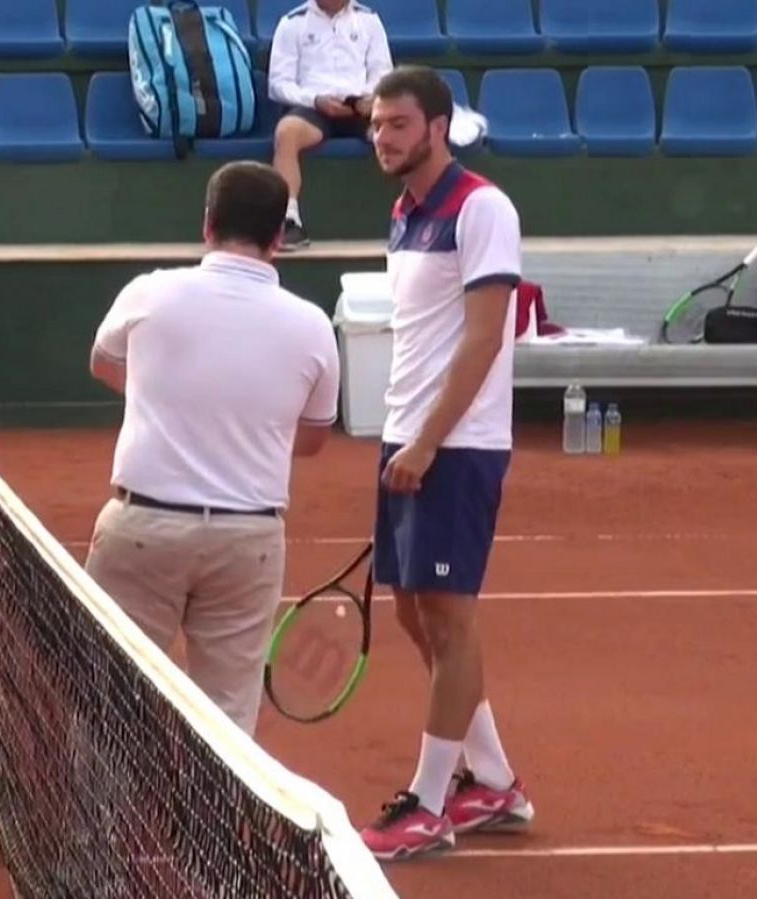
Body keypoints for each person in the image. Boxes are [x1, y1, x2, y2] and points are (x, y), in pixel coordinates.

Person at [84, 160, 341, 737]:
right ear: (279, 237)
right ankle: (220, 831)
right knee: (227, 723)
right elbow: (314, 438)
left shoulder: (148, 292)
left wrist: (174, 399)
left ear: (207, 225)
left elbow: (103, 364)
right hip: (247, 543)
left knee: (109, 698)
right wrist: (245, 422)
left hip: (142, 529)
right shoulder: (313, 325)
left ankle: (97, 828)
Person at [354, 65, 534, 862]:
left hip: (455, 442)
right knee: (410, 610)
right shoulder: (403, 212)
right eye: (374, 126)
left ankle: (429, 801)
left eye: (397, 124)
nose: (381, 138)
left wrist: (428, 440)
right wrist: (402, 435)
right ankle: (491, 775)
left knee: (450, 616)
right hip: (409, 432)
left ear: (437, 127)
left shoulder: (482, 207)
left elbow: (485, 335)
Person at [267, 0, 393, 251]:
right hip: (315, 108)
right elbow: (278, 84)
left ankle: (422, 213)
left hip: (361, 108)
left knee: (400, 132)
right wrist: (315, 99)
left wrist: (369, 97)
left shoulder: (369, 20)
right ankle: (289, 220)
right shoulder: (292, 22)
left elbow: (383, 72)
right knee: (286, 132)